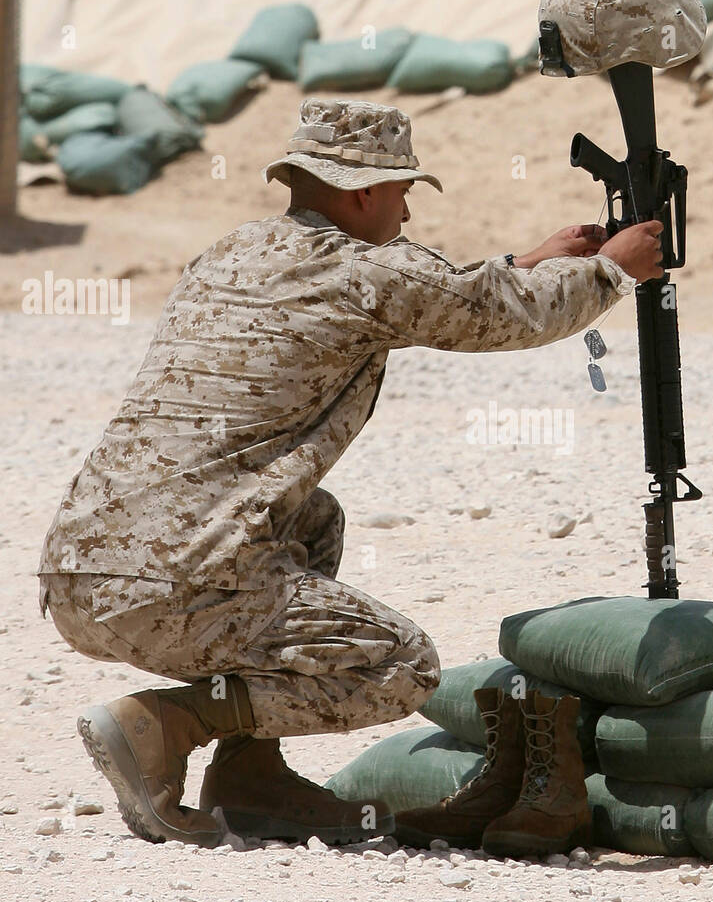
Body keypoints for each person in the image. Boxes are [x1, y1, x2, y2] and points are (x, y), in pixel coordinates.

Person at [36, 97, 664, 850]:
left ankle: (249, 776)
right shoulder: (366, 271)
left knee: (312, 518)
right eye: (401, 190)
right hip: (175, 585)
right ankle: (167, 724)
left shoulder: (235, 252)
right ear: (362, 191)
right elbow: (501, 317)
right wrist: (611, 272)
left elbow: (441, 293)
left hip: (79, 575)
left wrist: (528, 263)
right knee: (399, 665)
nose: (407, 209)